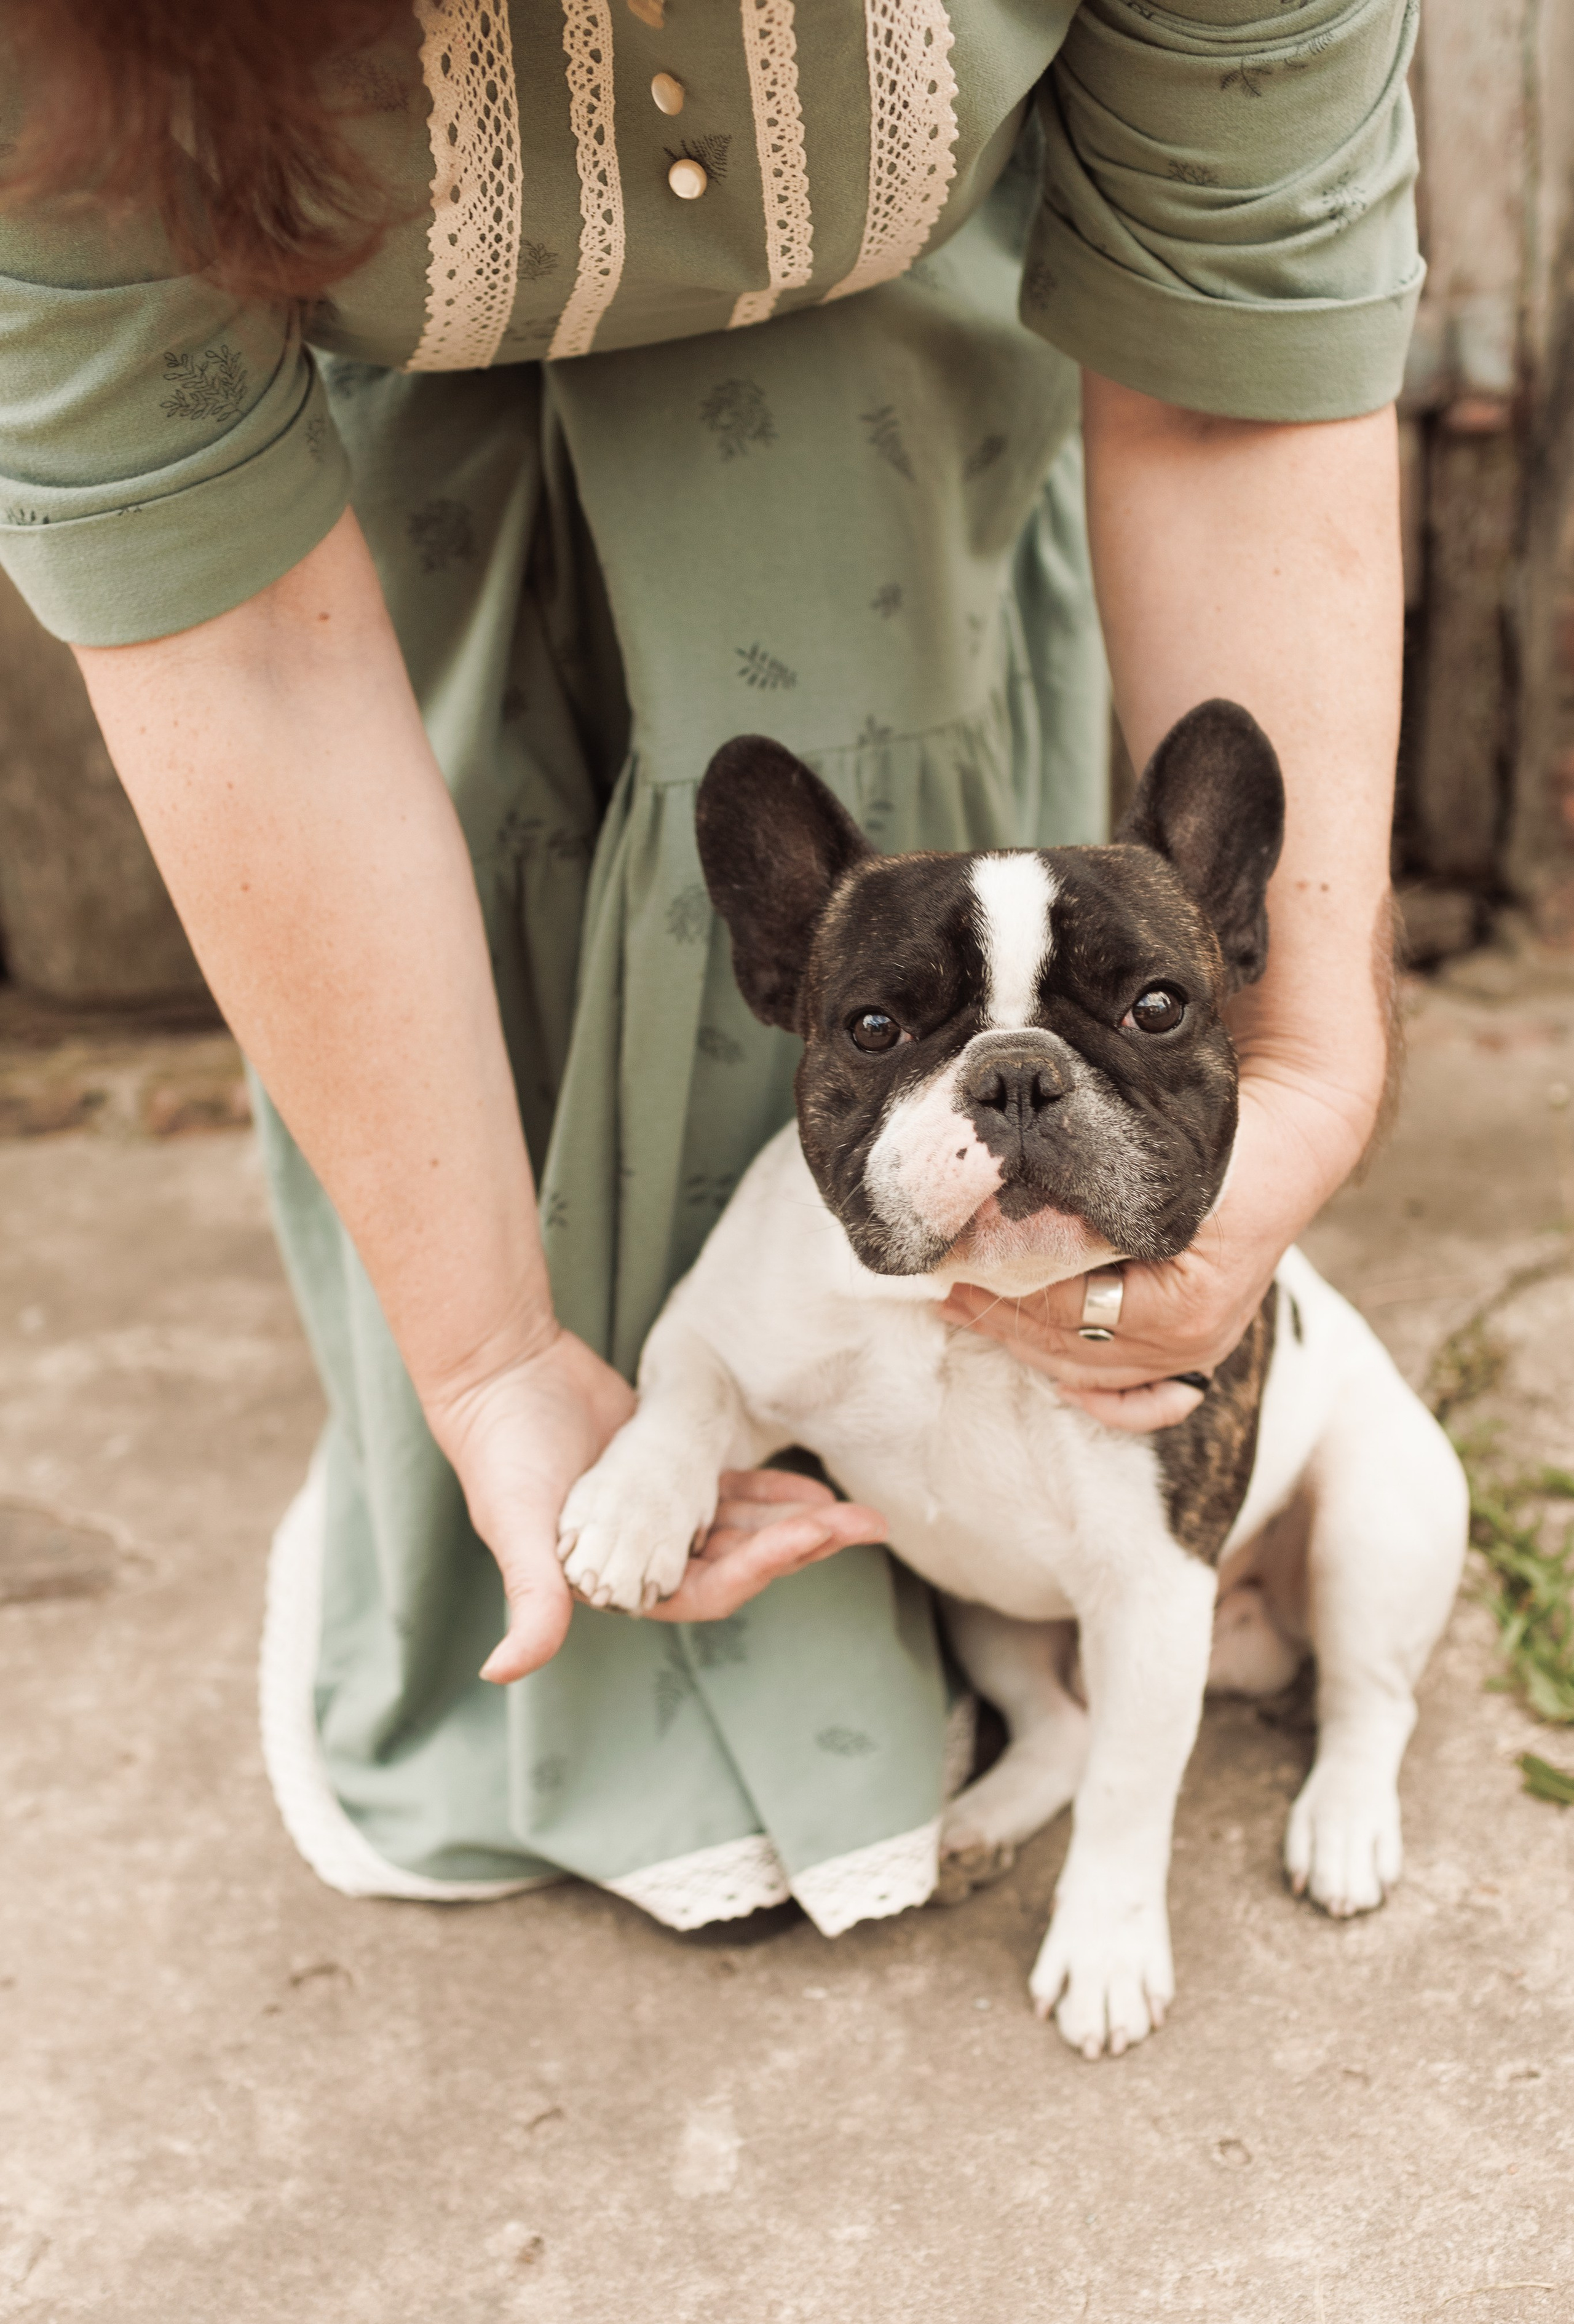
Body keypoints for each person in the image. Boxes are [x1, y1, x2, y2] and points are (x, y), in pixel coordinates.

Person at [0, 0, 1416, 1931]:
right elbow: (223, 620)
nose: (1014, 1081)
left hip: (918, 480)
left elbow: (1240, 344)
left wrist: (1319, 1060)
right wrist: (490, 1349)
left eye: (1135, 1011)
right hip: (384, 540)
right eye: (915, 1034)